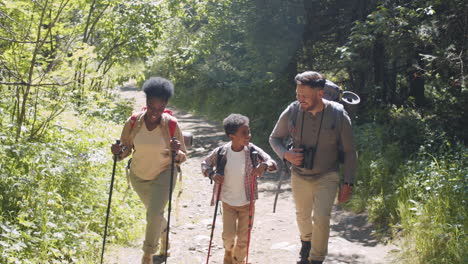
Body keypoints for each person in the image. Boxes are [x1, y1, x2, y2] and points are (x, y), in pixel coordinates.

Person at [269, 71, 357, 264]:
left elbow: (350, 151)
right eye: (297, 95)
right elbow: (274, 138)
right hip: (299, 174)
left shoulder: (338, 114)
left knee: (322, 218)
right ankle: (306, 244)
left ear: (320, 93)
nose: (300, 100)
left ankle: (316, 259)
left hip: (328, 174)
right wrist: (286, 154)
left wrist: (348, 183)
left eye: (305, 96)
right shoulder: (293, 110)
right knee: (302, 215)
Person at [111, 77, 187, 264]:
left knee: (153, 214)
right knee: (155, 214)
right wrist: (117, 152)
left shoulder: (171, 124)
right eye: (152, 108)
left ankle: (147, 255)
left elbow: (183, 155)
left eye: (160, 109)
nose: (155, 113)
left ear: (166, 106)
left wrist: (177, 151)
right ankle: (165, 237)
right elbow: (125, 149)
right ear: (146, 104)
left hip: (164, 173)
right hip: (139, 175)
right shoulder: (133, 123)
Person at [201, 114, 277, 264]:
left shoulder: (253, 151)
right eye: (244, 133)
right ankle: (228, 251)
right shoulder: (222, 152)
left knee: (243, 240)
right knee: (228, 237)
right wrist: (212, 174)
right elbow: (205, 163)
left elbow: (272, 162)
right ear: (232, 136)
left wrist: (264, 166)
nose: (248, 136)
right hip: (228, 202)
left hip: (247, 204)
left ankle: (238, 260)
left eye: (248, 132)